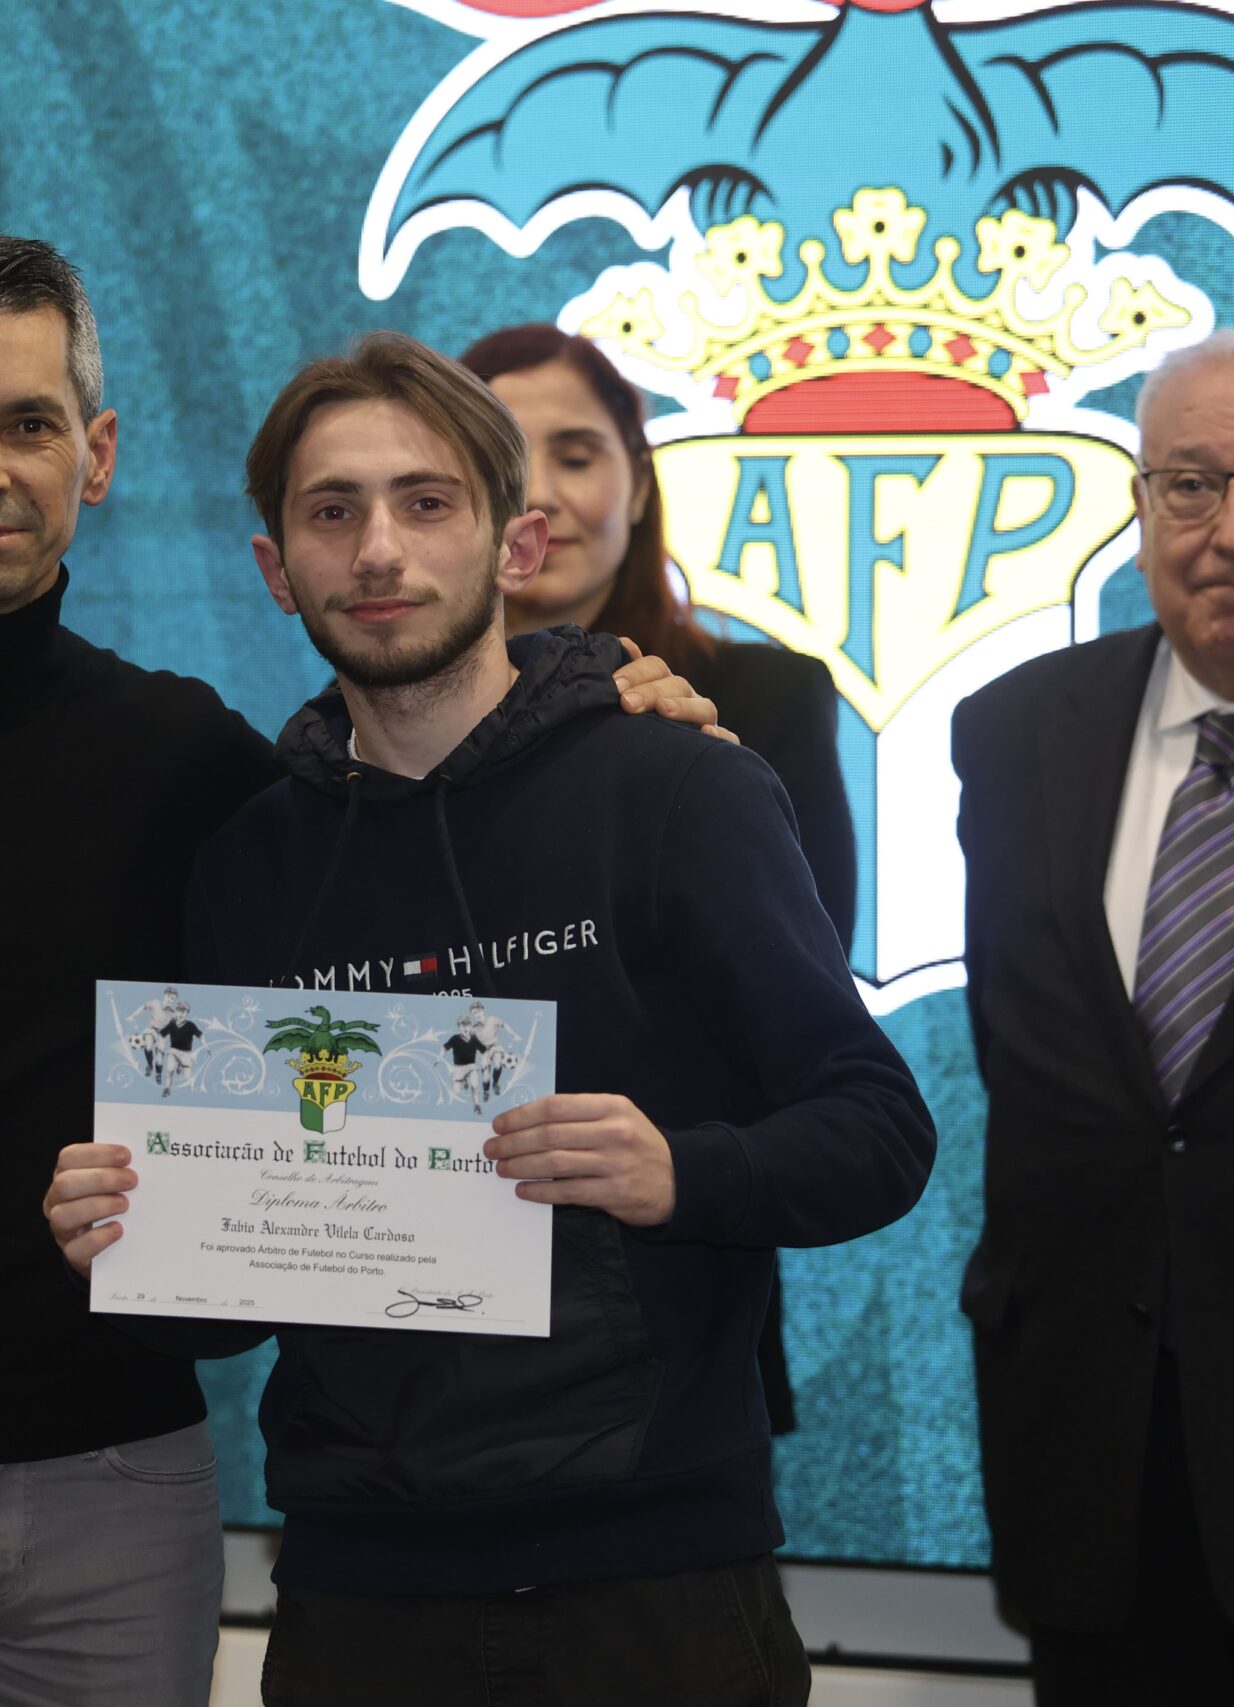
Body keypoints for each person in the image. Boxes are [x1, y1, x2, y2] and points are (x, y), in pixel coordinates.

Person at [0, 237, 724, 1707]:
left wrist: (602, 699)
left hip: (119, 1494)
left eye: (28, 422)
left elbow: (426, 796)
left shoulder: (196, 764)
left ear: (98, 453)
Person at [46, 331, 936, 1706]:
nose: (378, 550)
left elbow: (879, 1131)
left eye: (427, 501)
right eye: (331, 511)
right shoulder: (249, 863)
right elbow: (220, 1316)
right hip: (359, 1597)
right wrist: (127, 1241)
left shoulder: (681, 789)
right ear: (277, 568)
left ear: (515, 544)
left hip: (657, 1585)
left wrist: (680, 1170)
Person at [952, 327, 1234, 1704]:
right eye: (1192, 485)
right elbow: (1030, 1063)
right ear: (1142, 507)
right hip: (1086, 1463)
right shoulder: (1013, 733)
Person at [461, 323, 856, 1432]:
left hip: (675, 1299)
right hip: (410, 1309)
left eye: (577, 454)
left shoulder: (756, 705)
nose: (542, 495)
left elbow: (798, 1018)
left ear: (638, 483)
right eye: (502, 460)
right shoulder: (369, 731)